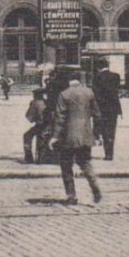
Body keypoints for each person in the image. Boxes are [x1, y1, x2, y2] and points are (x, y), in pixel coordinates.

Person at [51, 68, 102, 205]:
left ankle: (71, 195)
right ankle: (95, 187)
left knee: (66, 166)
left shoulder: (64, 94)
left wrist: (54, 136)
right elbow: (97, 115)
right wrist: (97, 135)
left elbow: (60, 117)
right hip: (86, 135)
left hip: (69, 136)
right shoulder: (89, 92)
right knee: (86, 163)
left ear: (68, 80)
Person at [91, 64, 123, 161]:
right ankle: (110, 153)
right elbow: (116, 91)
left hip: (102, 108)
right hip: (113, 107)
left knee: (104, 130)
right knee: (112, 130)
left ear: (98, 67)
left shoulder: (97, 77)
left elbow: (95, 94)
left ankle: (107, 152)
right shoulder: (116, 76)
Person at [23, 88, 49, 164]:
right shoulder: (46, 102)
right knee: (41, 139)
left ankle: (28, 158)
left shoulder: (35, 103)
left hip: (40, 126)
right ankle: (41, 159)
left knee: (27, 136)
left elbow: (29, 117)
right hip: (48, 125)